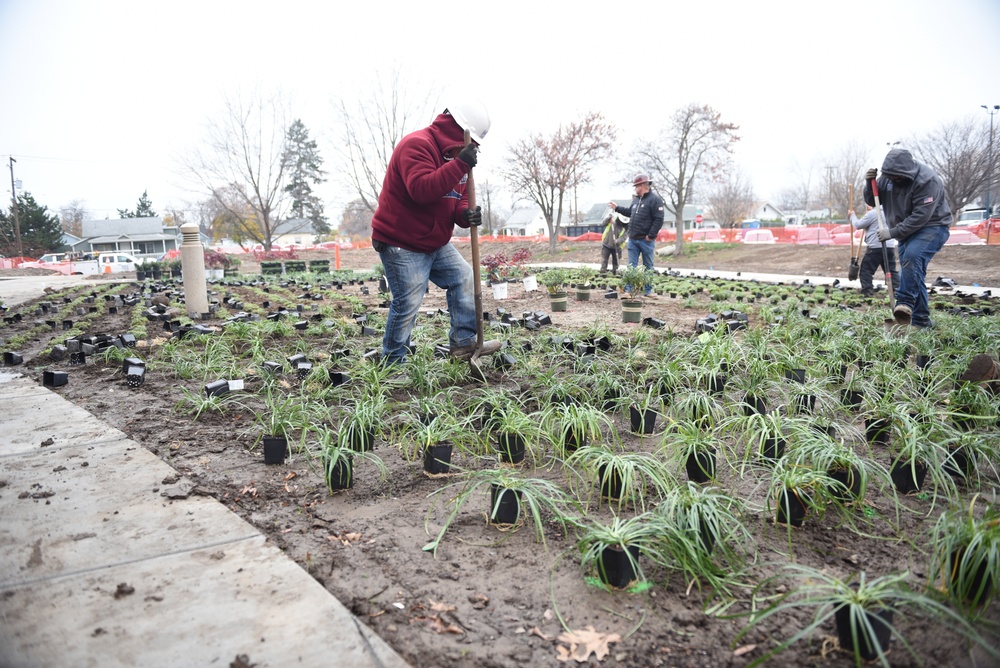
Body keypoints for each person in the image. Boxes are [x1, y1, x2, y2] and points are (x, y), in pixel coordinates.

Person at [370, 98, 502, 366]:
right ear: (457, 129)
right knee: (408, 302)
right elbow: (421, 190)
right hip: (401, 242)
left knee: (464, 277)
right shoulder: (417, 145)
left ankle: (464, 344)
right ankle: (393, 363)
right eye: (472, 141)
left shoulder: (457, 157)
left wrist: (465, 215)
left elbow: (459, 195)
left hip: (434, 242)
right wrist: (460, 165)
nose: (474, 147)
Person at [864, 148, 951, 328]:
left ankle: (904, 303)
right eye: (891, 176)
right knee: (912, 273)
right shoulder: (887, 177)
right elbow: (873, 201)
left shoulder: (927, 180)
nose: (894, 180)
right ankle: (921, 321)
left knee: (912, 258)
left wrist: (892, 232)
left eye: (898, 177)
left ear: (907, 171)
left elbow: (921, 216)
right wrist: (868, 183)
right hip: (905, 232)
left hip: (932, 226)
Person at [608, 173, 664, 295]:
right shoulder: (636, 200)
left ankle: (648, 291)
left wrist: (651, 235)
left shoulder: (655, 200)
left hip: (646, 240)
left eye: (636, 186)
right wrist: (617, 208)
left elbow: (659, 219)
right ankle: (629, 290)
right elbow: (630, 212)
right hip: (633, 239)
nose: (635, 189)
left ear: (642, 186)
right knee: (631, 266)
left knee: (648, 266)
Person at [848, 204, 898, 297]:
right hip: (890, 246)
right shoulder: (890, 211)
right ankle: (897, 291)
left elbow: (858, 225)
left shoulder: (873, 213)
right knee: (891, 271)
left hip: (875, 247)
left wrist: (852, 216)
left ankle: (867, 292)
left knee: (866, 271)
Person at [599, 210, 628, 275]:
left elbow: (624, 237)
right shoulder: (612, 219)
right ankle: (603, 273)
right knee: (604, 260)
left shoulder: (626, 227)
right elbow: (603, 224)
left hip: (617, 247)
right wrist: (608, 218)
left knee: (616, 262)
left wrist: (618, 241)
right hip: (607, 243)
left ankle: (615, 273)